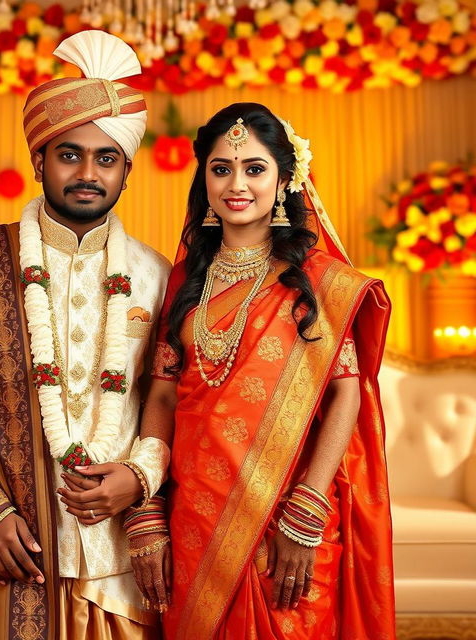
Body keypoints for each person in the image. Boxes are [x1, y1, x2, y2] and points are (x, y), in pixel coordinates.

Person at [0, 30, 171, 640]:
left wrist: (140, 478)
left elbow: (170, 397)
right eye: (69, 154)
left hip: (118, 559)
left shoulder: (156, 274)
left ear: (127, 171)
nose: (88, 172)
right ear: (39, 161)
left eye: (106, 158)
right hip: (16, 537)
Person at [130, 103, 396, 639]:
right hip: (194, 520)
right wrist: (149, 508)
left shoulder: (319, 282)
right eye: (221, 168)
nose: (237, 183)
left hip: (287, 518)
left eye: (255, 168)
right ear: (203, 177)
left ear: (283, 180)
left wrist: (309, 509)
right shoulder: (183, 282)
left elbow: (346, 397)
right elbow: (161, 397)